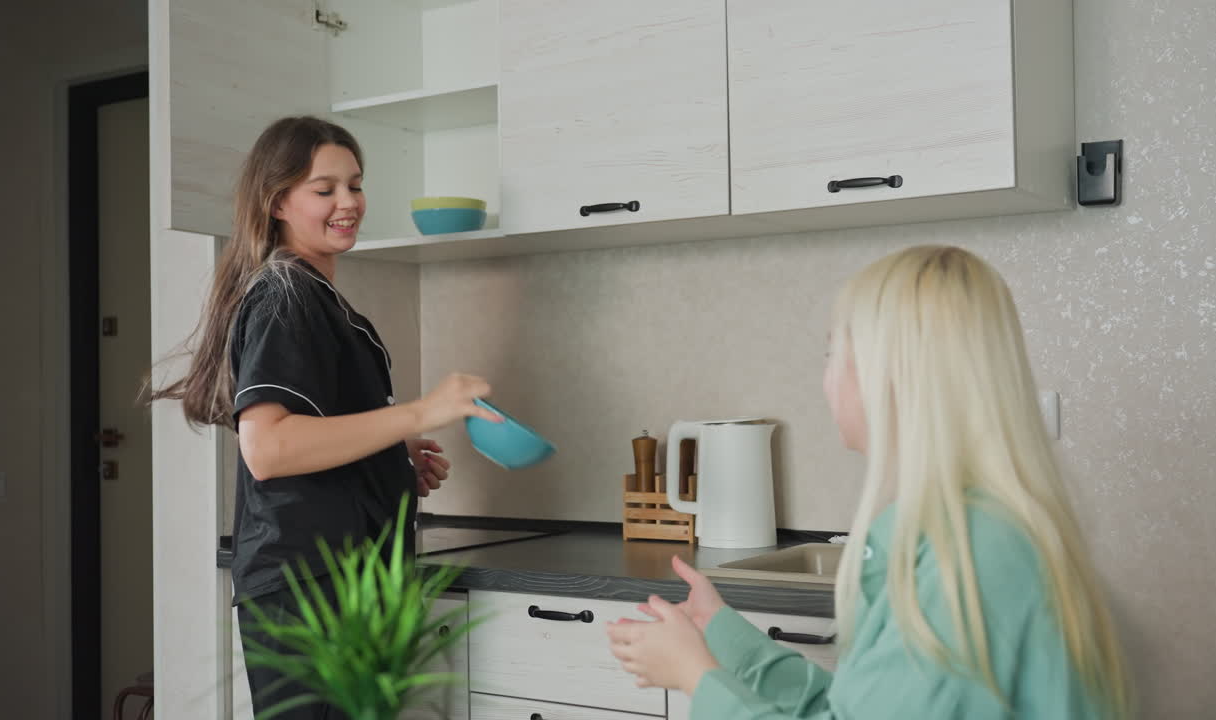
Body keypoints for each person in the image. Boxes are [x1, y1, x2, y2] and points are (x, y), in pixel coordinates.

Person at [606, 246, 1132, 719]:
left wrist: (697, 676)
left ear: (891, 373)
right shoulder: (970, 531)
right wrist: (720, 631)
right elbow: (848, 711)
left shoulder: (965, 555)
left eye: (833, 352)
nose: (826, 378)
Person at [151, 115, 501, 719]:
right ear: (278, 201)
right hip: (308, 590)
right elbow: (269, 449)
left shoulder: (314, 296)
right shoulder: (285, 295)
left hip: (341, 583)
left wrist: (389, 452)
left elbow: (307, 435)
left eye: (356, 185)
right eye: (325, 189)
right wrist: (421, 410)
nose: (349, 203)